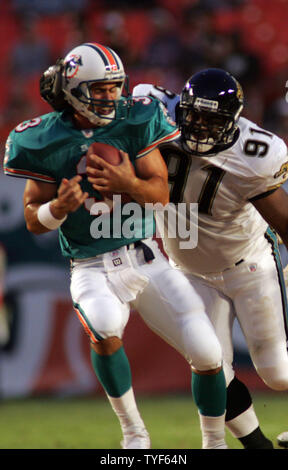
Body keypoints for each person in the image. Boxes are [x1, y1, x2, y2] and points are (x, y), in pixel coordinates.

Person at [3, 44, 228, 450]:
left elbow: (159, 194)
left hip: (148, 257)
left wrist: (129, 185)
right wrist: (58, 208)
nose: (110, 97)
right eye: (100, 89)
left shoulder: (138, 117)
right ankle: (134, 435)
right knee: (104, 328)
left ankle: (215, 443)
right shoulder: (41, 138)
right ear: (73, 88)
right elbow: (34, 218)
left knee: (209, 355)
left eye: (114, 87)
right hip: (91, 266)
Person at [133, 70, 288, 449]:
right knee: (212, 367)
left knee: (277, 373)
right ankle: (258, 446)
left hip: (248, 264)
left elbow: (283, 220)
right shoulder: (155, 113)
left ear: (234, 120)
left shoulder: (257, 154)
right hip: (188, 270)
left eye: (212, 120)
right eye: (194, 117)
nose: (199, 127)